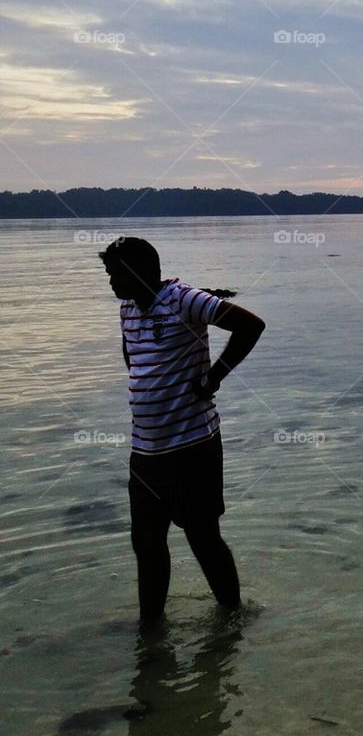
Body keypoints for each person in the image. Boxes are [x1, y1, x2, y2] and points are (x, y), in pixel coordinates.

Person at [99, 236, 266, 625]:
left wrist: (214, 378)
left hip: (193, 445)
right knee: (146, 543)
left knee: (202, 537)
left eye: (115, 274)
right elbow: (135, 359)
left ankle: (232, 618)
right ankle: (151, 630)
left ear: (140, 271)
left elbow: (250, 325)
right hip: (145, 451)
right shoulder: (127, 309)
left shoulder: (184, 298)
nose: (110, 283)